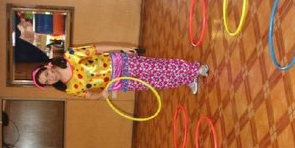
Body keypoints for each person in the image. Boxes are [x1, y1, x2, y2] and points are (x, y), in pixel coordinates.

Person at [32, 43, 209, 98]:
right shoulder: (69, 88)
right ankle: (187, 79)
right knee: (156, 82)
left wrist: (122, 48)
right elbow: (89, 95)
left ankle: (196, 69)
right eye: (47, 82)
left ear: (48, 66)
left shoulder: (70, 56)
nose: (50, 79)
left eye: (47, 75)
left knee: (159, 67)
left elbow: (97, 48)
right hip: (119, 82)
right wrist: (102, 94)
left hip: (120, 63)